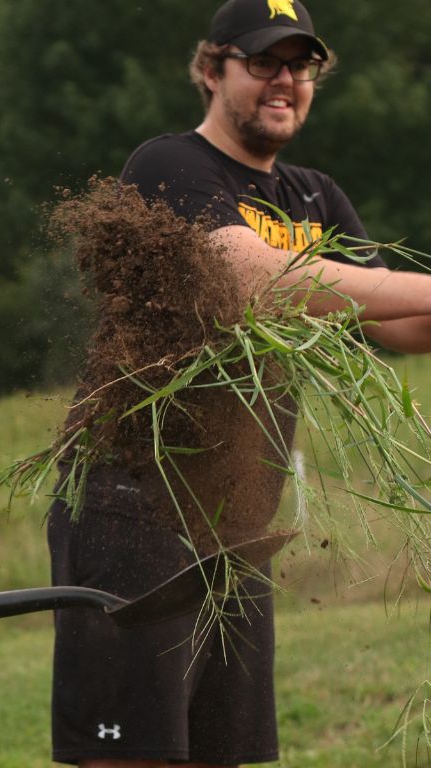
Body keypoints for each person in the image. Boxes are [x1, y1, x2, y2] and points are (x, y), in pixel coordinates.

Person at [49, 1, 431, 766]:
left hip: (237, 519)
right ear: (211, 69)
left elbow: (401, 322)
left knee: (231, 751)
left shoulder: (314, 198)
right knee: (136, 750)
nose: (285, 81)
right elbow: (255, 279)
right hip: (137, 503)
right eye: (264, 62)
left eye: (301, 65)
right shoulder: (170, 166)